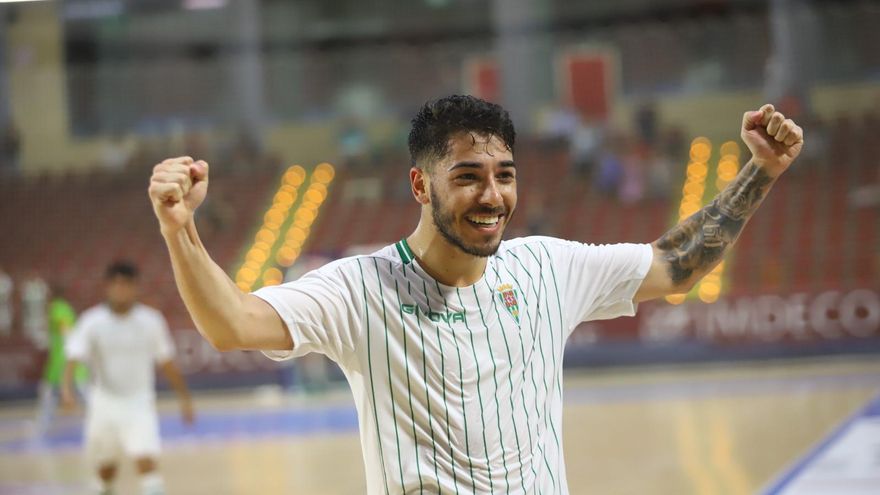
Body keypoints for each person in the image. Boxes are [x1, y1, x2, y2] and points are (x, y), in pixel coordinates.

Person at [148, 95, 803, 493]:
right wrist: (180, 229)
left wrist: (760, 172)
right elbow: (233, 323)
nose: (493, 196)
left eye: (505, 175)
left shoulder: (547, 267)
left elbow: (677, 264)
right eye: (468, 176)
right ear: (418, 184)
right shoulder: (359, 287)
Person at [61, 261, 194, 495]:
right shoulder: (92, 321)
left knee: (146, 460)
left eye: (126, 284)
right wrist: (67, 391)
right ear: (108, 287)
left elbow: (167, 361)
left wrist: (184, 398)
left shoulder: (151, 321)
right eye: (116, 284)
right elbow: (73, 357)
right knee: (106, 468)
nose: (121, 289)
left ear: (135, 287)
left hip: (139, 402)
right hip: (104, 402)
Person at [34, 285, 87, 438]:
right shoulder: (68, 308)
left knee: (48, 392)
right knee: (84, 392)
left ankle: (41, 424)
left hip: (61, 360)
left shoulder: (56, 308)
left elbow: (65, 328)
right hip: (72, 359)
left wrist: (68, 343)